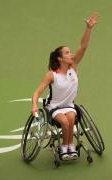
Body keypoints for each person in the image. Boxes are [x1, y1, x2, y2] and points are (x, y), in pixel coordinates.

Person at [31, 12, 98, 160]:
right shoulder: (52, 75)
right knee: (64, 121)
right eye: (67, 53)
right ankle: (63, 147)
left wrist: (89, 28)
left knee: (71, 118)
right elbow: (37, 91)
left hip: (68, 104)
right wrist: (34, 105)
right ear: (60, 58)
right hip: (54, 106)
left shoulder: (73, 67)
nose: (71, 54)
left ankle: (69, 147)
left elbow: (83, 46)